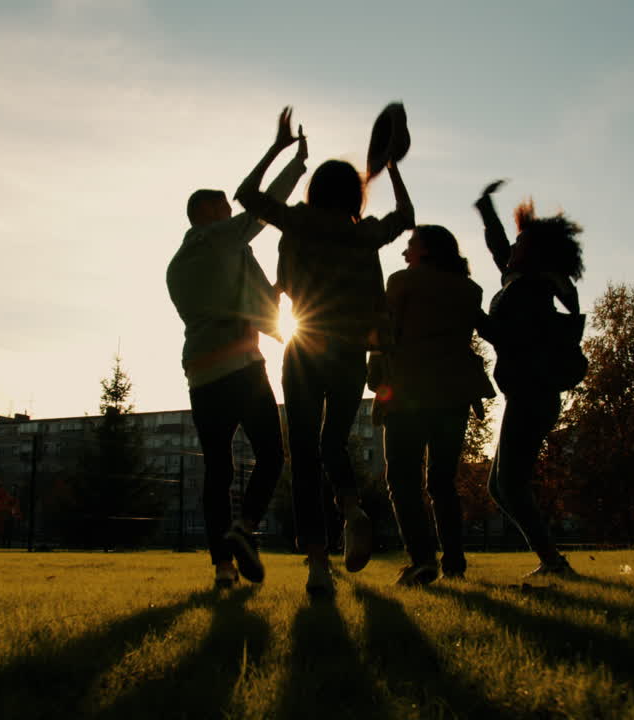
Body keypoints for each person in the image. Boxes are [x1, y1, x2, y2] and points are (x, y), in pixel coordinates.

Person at [236, 111, 414, 597]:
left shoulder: (298, 221)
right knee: (333, 441)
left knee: (305, 454)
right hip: (350, 351)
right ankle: (352, 509)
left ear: (314, 191)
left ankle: (318, 565)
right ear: (354, 196)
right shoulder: (363, 233)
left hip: (305, 348)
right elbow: (406, 217)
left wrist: (277, 149)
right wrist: (391, 168)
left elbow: (246, 195)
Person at [166, 107, 307, 589]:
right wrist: (290, 158)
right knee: (271, 454)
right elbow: (264, 205)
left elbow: (248, 306)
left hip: (201, 372)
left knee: (218, 469)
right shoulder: (219, 240)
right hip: (241, 367)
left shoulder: (180, 263)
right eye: (226, 208)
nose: (234, 214)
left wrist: (281, 318)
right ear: (207, 213)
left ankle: (223, 568)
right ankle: (244, 528)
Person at [474, 180, 585, 578]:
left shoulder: (532, 289)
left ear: (534, 252)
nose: (512, 246)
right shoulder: (520, 280)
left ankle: (553, 562)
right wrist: (486, 209)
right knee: (498, 487)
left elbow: (506, 335)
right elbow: (499, 249)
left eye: (520, 242)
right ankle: (551, 559)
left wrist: (471, 311)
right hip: (526, 395)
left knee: (510, 485)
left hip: (532, 396)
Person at [380, 225, 495, 585]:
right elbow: (488, 330)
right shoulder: (470, 289)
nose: (404, 253)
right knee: (443, 482)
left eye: (410, 245)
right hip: (454, 396)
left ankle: (422, 560)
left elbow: (384, 334)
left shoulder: (402, 282)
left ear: (427, 250)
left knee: (403, 478)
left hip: (408, 393)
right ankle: (454, 564)